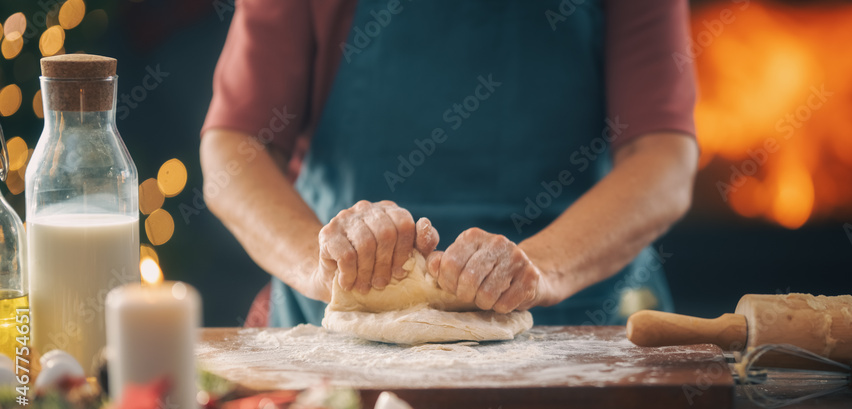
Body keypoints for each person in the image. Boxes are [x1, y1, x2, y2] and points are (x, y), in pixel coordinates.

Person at [200, 0, 698, 327]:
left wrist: (543, 269)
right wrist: (320, 264)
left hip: (580, 321)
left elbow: (663, 160)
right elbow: (237, 147)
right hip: (339, 332)